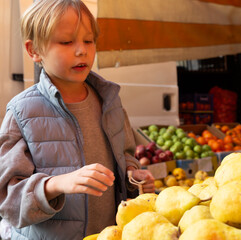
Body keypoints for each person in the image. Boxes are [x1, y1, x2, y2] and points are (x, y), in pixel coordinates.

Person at [0, 0, 155, 239]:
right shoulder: (21, 113)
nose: (82, 50)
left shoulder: (110, 102)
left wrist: (134, 178)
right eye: (66, 42)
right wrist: (56, 184)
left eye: (88, 40)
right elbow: (7, 199)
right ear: (34, 51)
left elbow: (125, 157)